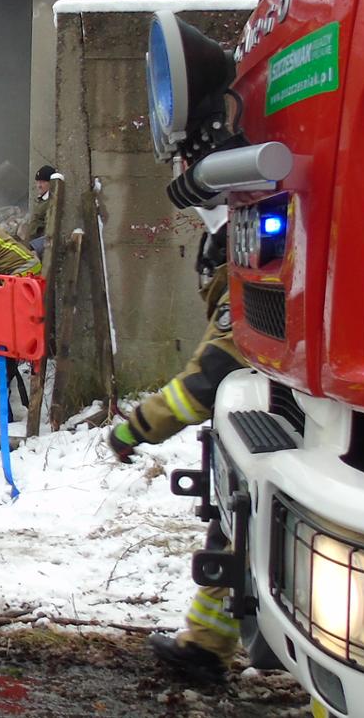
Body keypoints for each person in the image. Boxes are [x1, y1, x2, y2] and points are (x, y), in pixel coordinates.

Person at [105, 229, 247, 683]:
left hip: (273, 454)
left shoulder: (248, 298)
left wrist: (135, 427)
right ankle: (205, 648)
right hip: (276, 449)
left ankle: (206, 650)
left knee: (239, 541)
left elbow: (201, 385)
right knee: (232, 541)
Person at [22, 165, 58, 251]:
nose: (39, 185)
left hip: (39, 247)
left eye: (42, 182)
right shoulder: (41, 200)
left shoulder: (51, 202)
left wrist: (34, 247)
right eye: (37, 182)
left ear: (51, 183)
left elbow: (49, 229)